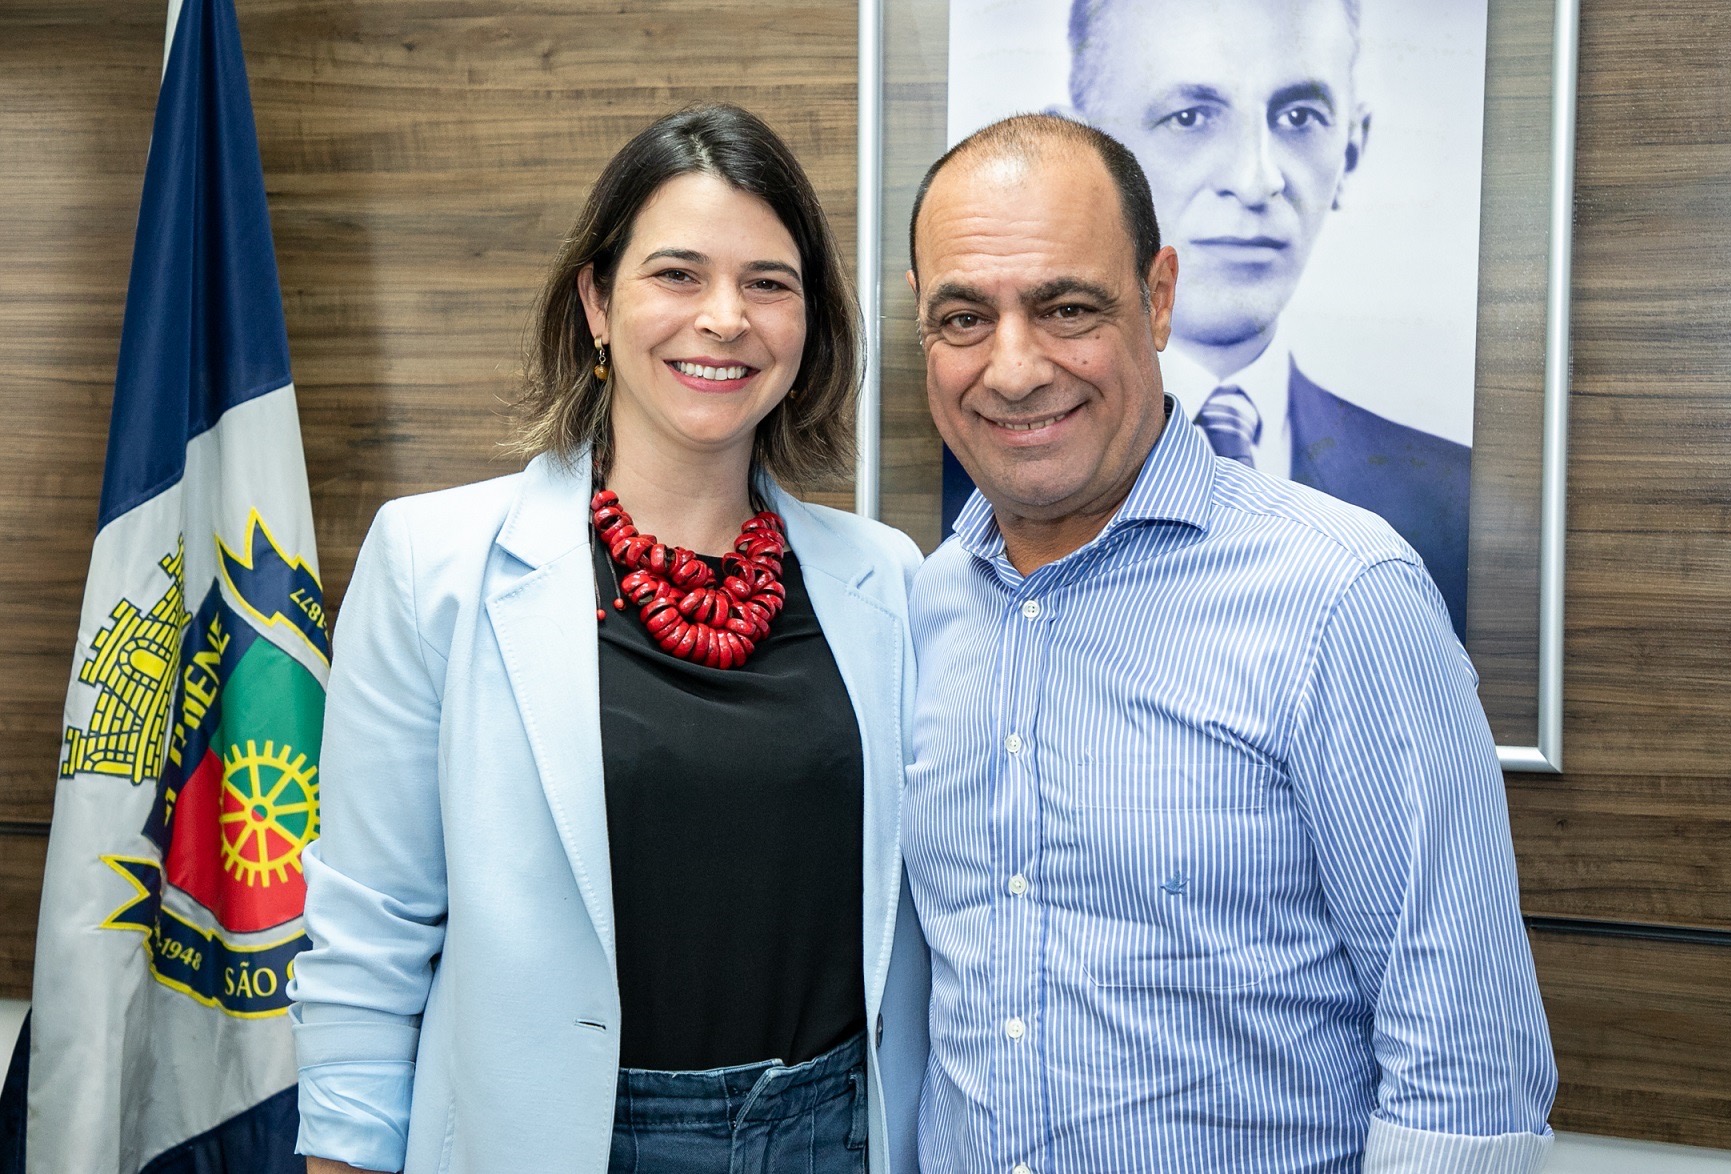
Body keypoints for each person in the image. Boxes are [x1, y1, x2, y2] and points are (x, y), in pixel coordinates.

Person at [903, 113, 1554, 1172]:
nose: (1013, 370)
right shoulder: (925, 607)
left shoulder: (1341, 596)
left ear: (1158, 298)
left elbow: (1464, 1065)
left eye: (1067, 309)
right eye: (965, 317)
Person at [290, 104, 929, 1174]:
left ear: (809, 321)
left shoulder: (889, 581)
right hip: (556, 1141)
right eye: (677, 274)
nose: (724, 318)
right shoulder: (431, 565)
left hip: (834, 1134)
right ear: (595, 300)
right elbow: (370, 927)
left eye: (768, 283)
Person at [1037, 0, 1471, 639]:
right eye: (1190, 118)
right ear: (1074, 163)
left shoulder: (1449, 504)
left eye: (1299, 117)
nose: (1256, 179)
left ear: (1352, 147)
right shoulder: (973, 508)